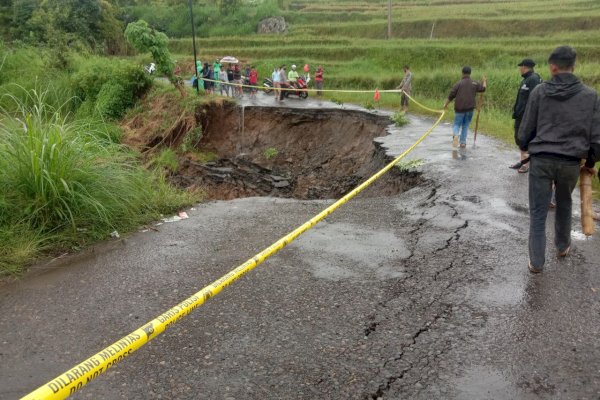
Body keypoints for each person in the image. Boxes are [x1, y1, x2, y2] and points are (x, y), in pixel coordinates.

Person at [517, 46, 600, 274]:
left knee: (538, 211)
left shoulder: (540, 92)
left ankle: (536, 262)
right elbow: (597, 137)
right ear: (574, 65)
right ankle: (562, 247)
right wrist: (590, 162)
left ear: (552, 67)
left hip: (542, 160)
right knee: (564, 203)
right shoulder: (590, 95)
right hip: (571, 163)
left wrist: (525, 147)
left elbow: (525, 131)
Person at [510, 58, 543, 173]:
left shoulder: (533, 79)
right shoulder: (526, 79)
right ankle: (523, 161)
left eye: (520, 67)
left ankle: (526, 164)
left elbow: (534, 99)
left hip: (526, 117)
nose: (519, 69)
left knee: (524, 139)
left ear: (524, 67)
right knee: (520, 139)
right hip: (520, 115)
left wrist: (530, 117)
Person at [443, 66, 487, 148]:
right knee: (465, 125)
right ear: (470, 73)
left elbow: (451, 95)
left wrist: (446, 104)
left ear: (462, 73)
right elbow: (483, 89)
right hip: (470, 109)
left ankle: (456, 136)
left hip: (459, 109)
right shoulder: (475, 83)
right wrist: (484, 81)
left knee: (457, 124)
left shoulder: (458, 83)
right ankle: (463, 143)